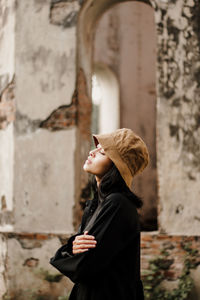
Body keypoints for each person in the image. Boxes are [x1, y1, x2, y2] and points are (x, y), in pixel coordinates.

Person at [50, 128, 149, 300]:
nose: (92, 152)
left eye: (102, 152)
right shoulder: (95, 205)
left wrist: (63, 253)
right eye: (96, 148)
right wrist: (73, 244)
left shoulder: (118, 204)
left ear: (116, 166)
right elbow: (80, 254)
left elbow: (82, 266)